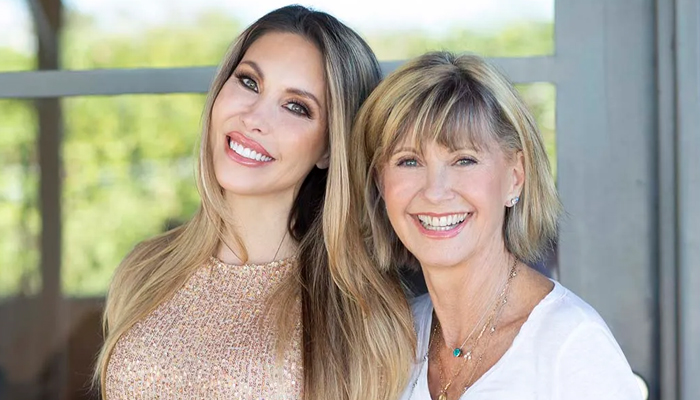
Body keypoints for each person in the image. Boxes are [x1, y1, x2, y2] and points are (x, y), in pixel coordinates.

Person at [93, 5, 415, 399]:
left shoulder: (360, 312)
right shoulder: (144, 269)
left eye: (296, 106)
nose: (254, 118)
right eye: (249, 82)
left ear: (329, 149)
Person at [350, 51, 642, 400]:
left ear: (515, 177)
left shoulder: (571, 347)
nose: (435, 192)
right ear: (380, 182)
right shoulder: (392, 340)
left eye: (464, 160)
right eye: (409, 161)